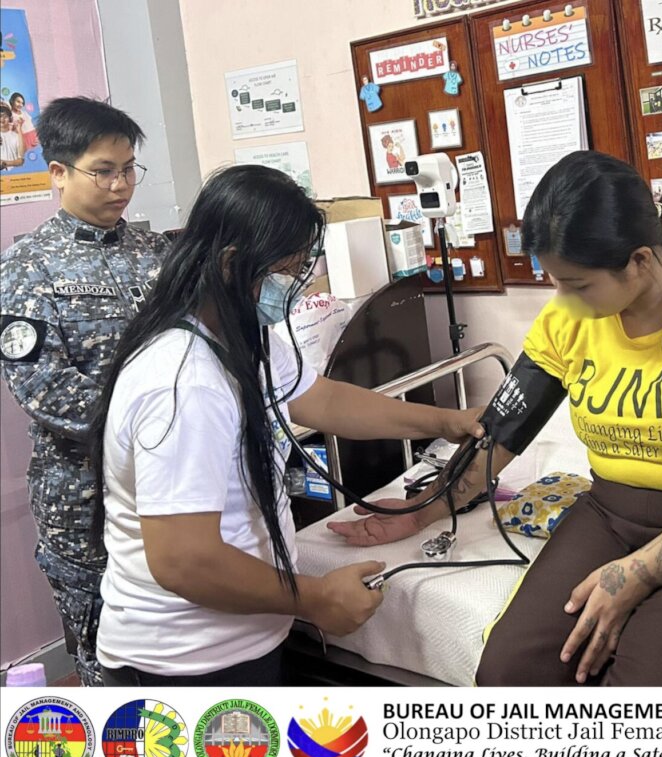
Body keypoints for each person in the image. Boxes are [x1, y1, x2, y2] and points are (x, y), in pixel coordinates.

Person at [334, 151, 662, 686]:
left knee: (646, 691)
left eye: (579, 284)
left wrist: (639, 574)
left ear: (639, 259)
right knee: (510, 672)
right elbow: (504, 429)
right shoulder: (568, 316)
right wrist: (427, 508)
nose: (561, 300)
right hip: (612, 513)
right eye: (554, 281)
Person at [90, 164, 484, 686]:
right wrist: (315, 597)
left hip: (237, 642)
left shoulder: (239, 336)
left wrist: (444, 421)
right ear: (232, 264)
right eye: (287, 272)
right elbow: (184, 560)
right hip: (182, 663)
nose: (295, 287)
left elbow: (324, 401)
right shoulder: (186, 383)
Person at [0, 97, 169, 686]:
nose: (120, 185)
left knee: (171, 642)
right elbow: (42, 385)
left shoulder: (157, 255)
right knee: (107, 661)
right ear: (58, 172)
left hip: (167, 486)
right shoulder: (28, 266)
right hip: (83, 500)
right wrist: (156, 426)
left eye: (128, 169)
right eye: (103, 171)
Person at [0, 104, 25, 169]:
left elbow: (21, 159)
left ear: (10, 119)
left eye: (5, 117)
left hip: (15, 172)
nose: (2, 119)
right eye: (0, 116)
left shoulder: (16, 136)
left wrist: (19, 130)